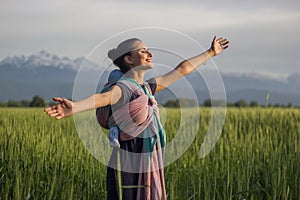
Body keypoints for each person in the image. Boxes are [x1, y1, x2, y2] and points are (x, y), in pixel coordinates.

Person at [44, 36, 229, 200]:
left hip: (150, 159)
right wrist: (74, 107)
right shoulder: (123, 88)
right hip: (129, 162)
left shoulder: (148, 88)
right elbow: (103, 99)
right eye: (142, 50)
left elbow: (182, 69)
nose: (149, 53)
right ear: (129, 58)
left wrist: (211, 52)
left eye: (148, 50)